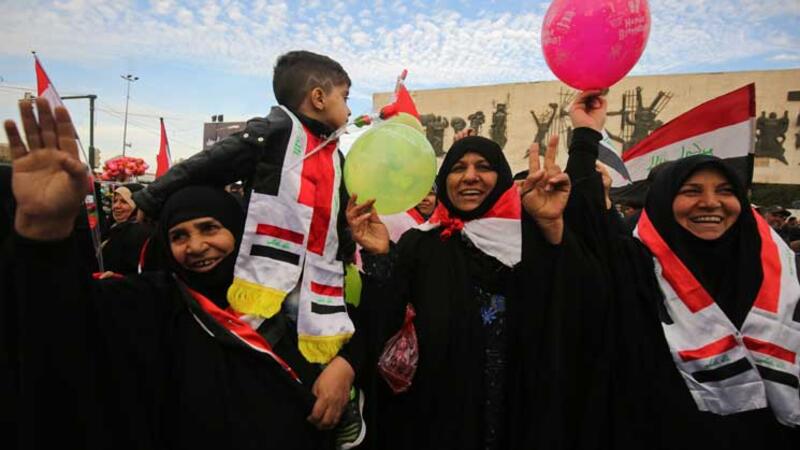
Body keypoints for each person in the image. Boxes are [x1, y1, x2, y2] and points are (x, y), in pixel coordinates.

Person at [2, 97, 333, 449]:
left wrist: (343, 365)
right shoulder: (153, 301)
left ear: (237, 230)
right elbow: (60, 313)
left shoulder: (279, 289)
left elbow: (353, 324)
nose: (196, 246)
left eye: (209, 228)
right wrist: (45, 233)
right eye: (179, 236)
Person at [514, 90, 800, 449]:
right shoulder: (636, 269)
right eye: (691, 191)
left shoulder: (785, 275)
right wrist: (585, 137)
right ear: (664, 201)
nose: (710, 202)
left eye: (725, 191)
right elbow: (586, 239)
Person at [346, 130, 567, 449]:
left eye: (483, 166)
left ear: (502, 177)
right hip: (441, 413)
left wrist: (552, 230)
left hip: (520, 404)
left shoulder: (531, 240)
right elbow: (385, 318)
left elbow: (572, 305)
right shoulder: (421, 243)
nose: (470, 177)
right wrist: (381, 256)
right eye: (458, 168)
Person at [98, 183, 153, 275]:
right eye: (115, 201)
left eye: (124, 202)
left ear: (138, 205)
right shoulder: (113, 227)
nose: (116, 206)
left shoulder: (138, 233)